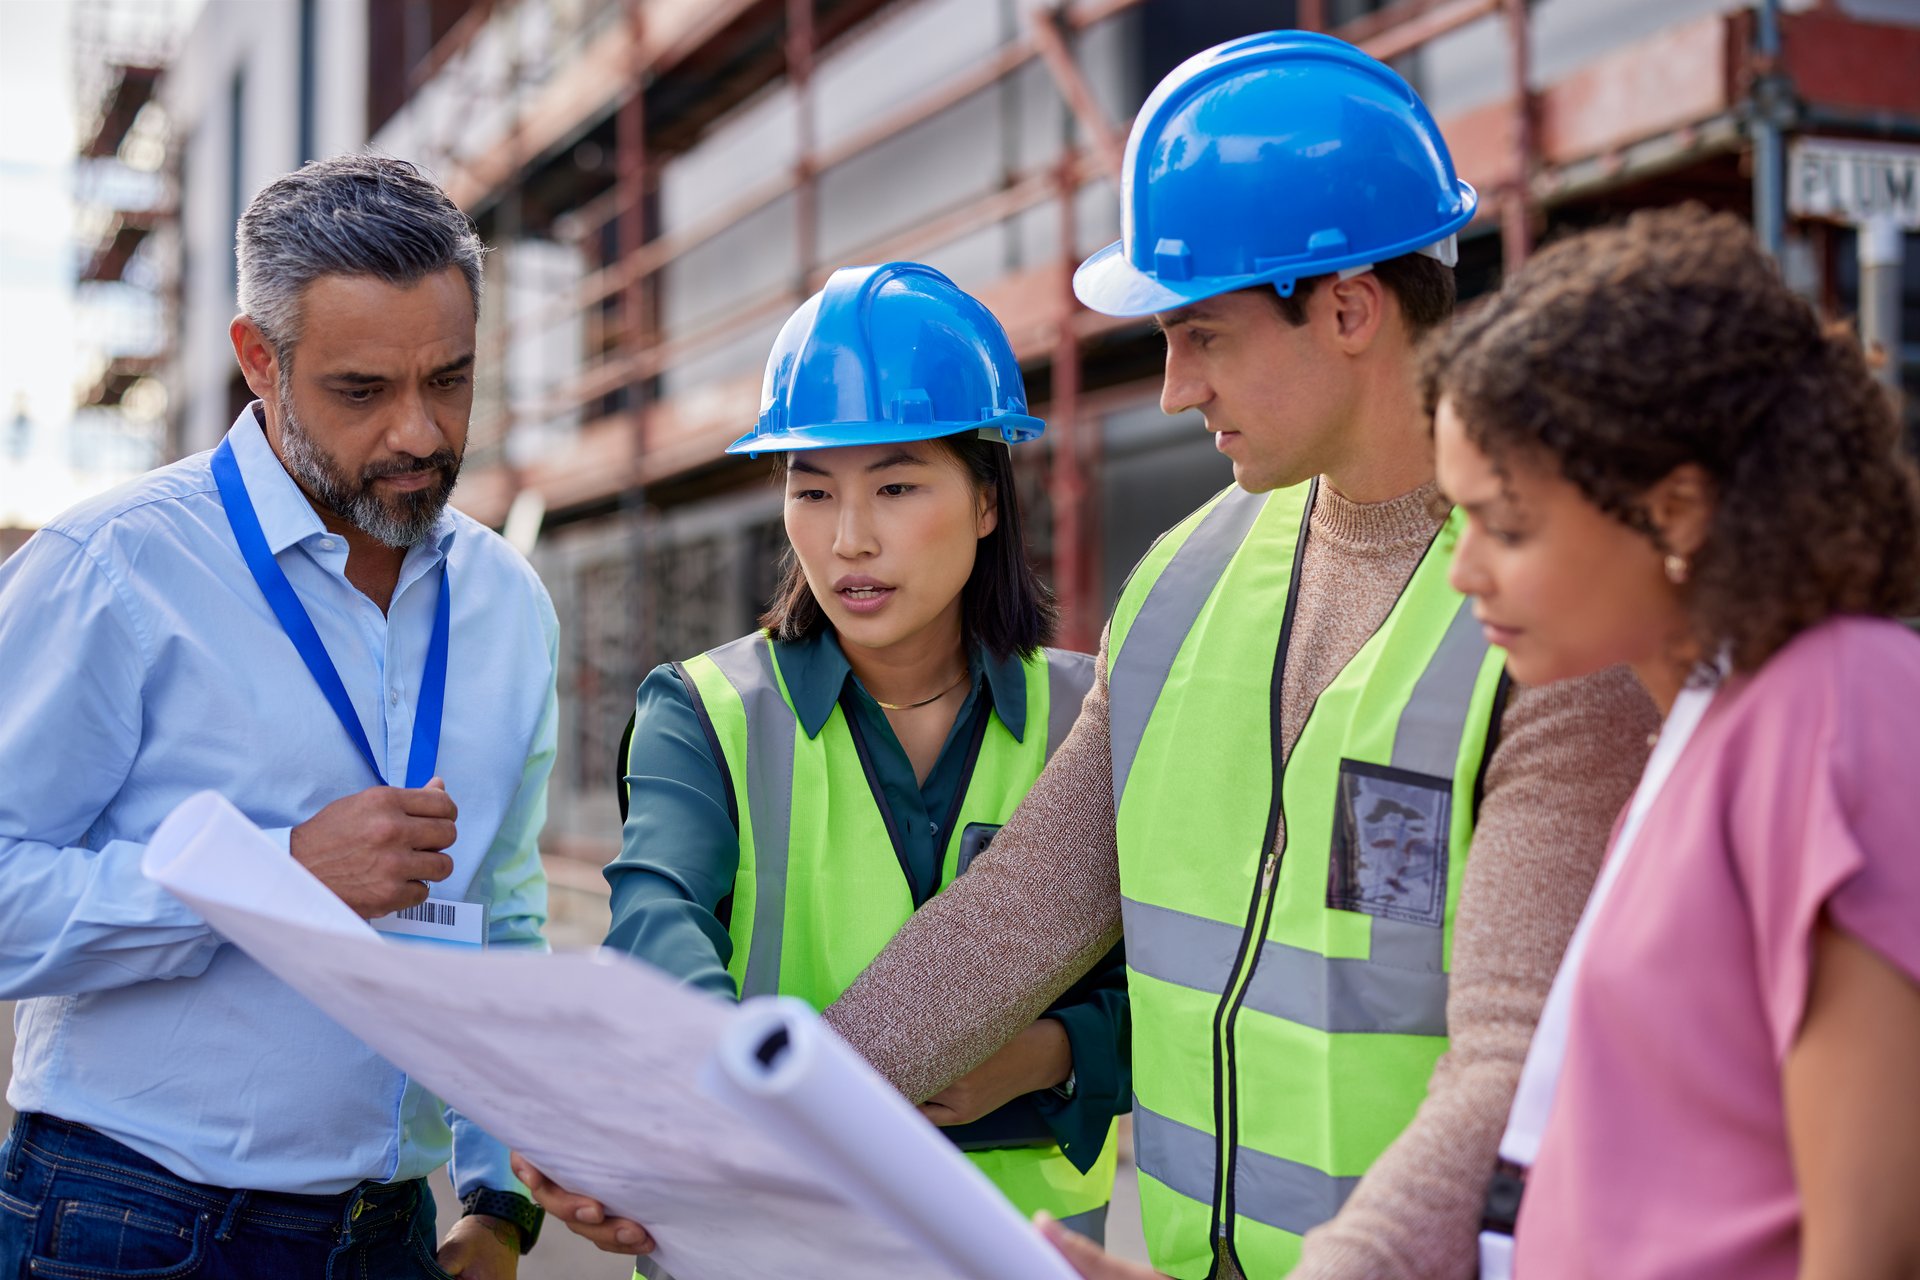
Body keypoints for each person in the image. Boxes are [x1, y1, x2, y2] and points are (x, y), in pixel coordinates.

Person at [548, 31, 1656, 1279]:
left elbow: (1511, 1065)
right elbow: (1012, 920)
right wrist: (705, 1143)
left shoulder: (1555, 620)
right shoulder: (1183, 585)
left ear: (1348, 307)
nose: (1174, 386)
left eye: (1204, 335)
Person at [0, 155, 555, 1278]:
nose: (418, 431)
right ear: (260, 360)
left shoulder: (508, 602)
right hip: (134, 1222)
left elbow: (503, 909)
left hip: (395, 1232)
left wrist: (501, 1196)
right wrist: (274, 875)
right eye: (362, 390)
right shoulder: (112, 569)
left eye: (450, 379)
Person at [515, 262, 1128, 1259]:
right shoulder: (705, 713)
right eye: (812, 490)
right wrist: (744, 1099)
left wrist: (1044, 1055)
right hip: (761, 1246)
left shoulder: (1088, 714)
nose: (848, 539)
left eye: (895, 485)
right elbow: (655, 931)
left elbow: (1190, 987)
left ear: (985, 499)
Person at [1426, 206, 1920, 1280]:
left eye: (1504, 524)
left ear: (1679, 510)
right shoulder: (1715, 725)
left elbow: (1868, 1248)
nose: (1464, 570)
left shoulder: (1832, 708)